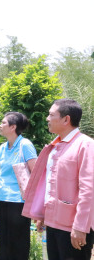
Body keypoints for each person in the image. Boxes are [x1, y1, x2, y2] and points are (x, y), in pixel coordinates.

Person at [22, 99, 94, 260]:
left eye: (51, 114)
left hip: (73, 228)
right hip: (53, 223)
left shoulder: (86, 145)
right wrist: (43, 215)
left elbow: (88, 189)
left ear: (66, 119)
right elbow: (49, 186)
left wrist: (80, 226)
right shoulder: (54, 148)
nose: (47, 118)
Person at [0, 112, 37, 260]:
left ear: (13, 127)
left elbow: (36, 175)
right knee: (2, 243)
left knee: (18, 244)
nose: (0, 125)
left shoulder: (25, 145)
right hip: (2, 201)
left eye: (3, 123)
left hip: (19, 202)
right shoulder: (2, 148)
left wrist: (36, 205)